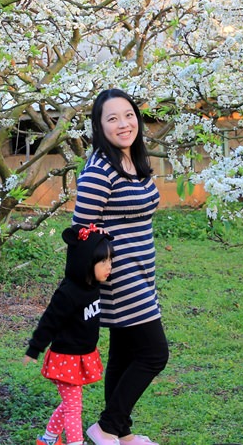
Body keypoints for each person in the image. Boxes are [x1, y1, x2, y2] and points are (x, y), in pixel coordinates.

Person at [75, 89, 167, 445]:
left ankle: (121, 434)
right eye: (112, 118)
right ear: (100, 127)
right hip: (118, 276)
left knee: (126, 351)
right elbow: (80, 232)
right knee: (154, 352)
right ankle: (107, 427)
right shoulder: (100, 170)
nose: (123, 124)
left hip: (142, 269)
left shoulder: (135, 161)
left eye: (128, 115)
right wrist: (93, 279)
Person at [25, 223, 115, 445]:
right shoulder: (68, 293)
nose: (109, 266)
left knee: (68, 403)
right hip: (66, 358)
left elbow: (84, 239)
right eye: (103, 262)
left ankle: (48, 439)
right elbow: (49, 321)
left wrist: (96, 234)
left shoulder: (93, 284)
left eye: (110, 260)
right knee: (74, 407)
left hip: (81, 355)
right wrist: (35, 348)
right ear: (86, 263)